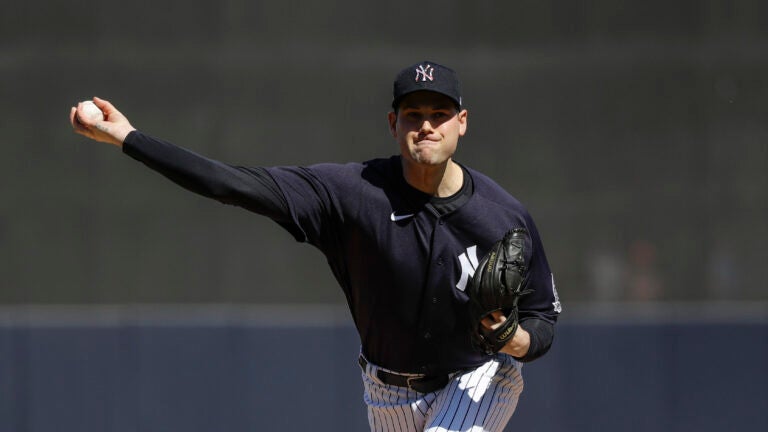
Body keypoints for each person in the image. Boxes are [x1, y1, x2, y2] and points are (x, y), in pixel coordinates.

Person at [70, 61, 562, 432]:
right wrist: (129, 138)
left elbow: (542, 318)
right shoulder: (351, 193)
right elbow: (233, 184)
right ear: (393, 123)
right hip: (385, 391)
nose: (427, 125)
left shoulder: (501, 215)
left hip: (476, 378)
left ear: (462, 122)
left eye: (440, 113)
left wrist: (514, 339)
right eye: (414, 114)